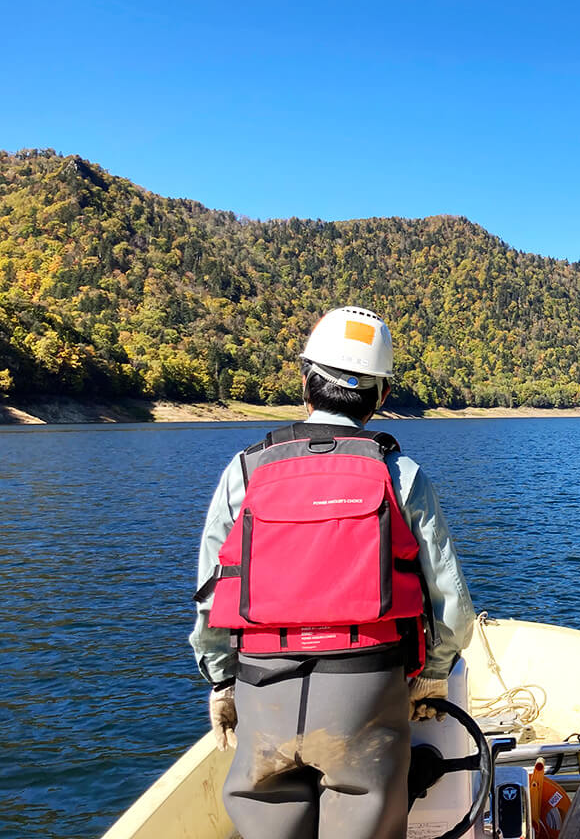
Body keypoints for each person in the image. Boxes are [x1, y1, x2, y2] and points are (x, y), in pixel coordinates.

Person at [189, 305, 475, 839]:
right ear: (382, 396)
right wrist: (433, 674)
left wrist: (222, 681)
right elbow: (452, 607)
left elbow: (213, 589)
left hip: (261, 685)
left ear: (305, 381)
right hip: (366, 689)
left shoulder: (246, 470)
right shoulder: (399, 474)